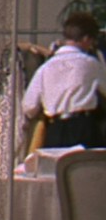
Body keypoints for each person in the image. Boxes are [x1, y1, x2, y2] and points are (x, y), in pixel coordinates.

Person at [22, 11, 106, 150]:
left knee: (56, 169)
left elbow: (29, 106)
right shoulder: (90, 64)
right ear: (86, 38)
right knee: (86, 169)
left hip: (55, 129)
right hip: (84, 127)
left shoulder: (45, 68)